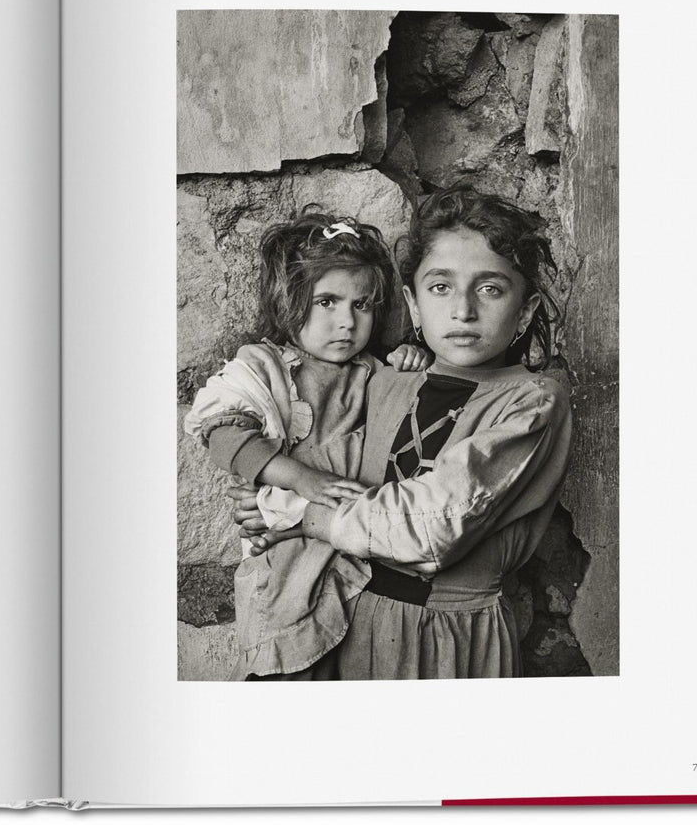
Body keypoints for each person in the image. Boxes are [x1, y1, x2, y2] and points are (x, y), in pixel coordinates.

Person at [236, 188, 573, 679]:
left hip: (452, 636)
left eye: (490, 289)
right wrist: (266, 493)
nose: (463, 310)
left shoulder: (533, 402)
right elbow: (325, 464)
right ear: (413, 305)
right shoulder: (384, 383)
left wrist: (299, 516)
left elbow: (432, 525)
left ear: (524, 311)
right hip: (354, 623)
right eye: (440, 288)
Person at [183, 209, 427, 681]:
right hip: (284, 559)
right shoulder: (264, 367)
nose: (347, 323)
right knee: (289, 666)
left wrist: (408, 362)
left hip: (354, 550)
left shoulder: (372, 371)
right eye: (327, 302)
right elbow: (222, 432)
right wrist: (303, 479)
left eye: (362, 305)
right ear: (288, 301)